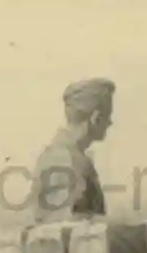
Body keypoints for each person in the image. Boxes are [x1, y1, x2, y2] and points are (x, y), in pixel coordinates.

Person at [31, 78, 114, 222]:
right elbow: (65, 226)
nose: (110, 123)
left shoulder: (66, 155)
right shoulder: (65, 159)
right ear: (96, 118)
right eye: (108, 116)